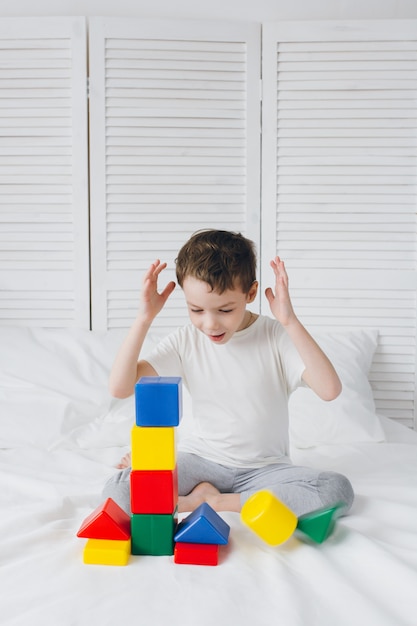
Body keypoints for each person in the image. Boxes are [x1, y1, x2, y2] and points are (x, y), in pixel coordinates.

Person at [103, 229, 354, 518]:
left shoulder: (275, 336)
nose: (210, 324)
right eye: (196, 309)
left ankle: (212, 501)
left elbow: (329, 390)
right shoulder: (185, 340)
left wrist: (290, 321)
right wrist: (143, 318)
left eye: (225, 309)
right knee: (118, 492)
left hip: (266, 470)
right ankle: (229, 497)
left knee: (337, 490)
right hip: (201, 461)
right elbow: (120, 388)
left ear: (250, 293)